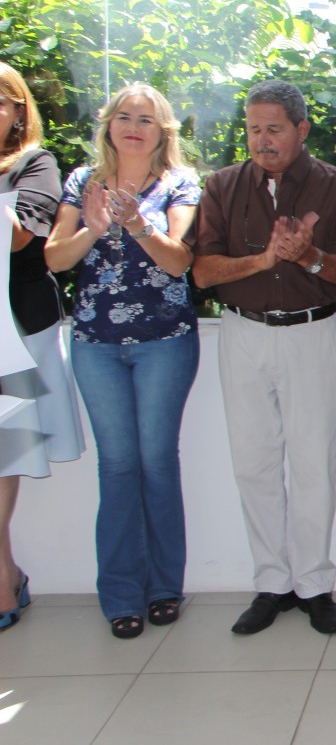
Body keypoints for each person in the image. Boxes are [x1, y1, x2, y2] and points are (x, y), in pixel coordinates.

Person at [193, 80, 336, 636]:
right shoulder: (222, 186)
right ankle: (272, 582)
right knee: (254, 464)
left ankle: (314, 584)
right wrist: (263, 260)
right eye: (253, 129)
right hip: (243, 335)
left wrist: (309, 256)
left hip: (311, 334)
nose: (262, 140)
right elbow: (203, 272)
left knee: (315, 464)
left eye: (273, 129)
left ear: (301, 129)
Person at [45, 84, 201, 640]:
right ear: (109, 124)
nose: (134, 126)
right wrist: (92, 228)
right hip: (96, 344)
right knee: (116, 466)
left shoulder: (180, 183)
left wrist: (137, 223)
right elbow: (54, 258)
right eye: (125, 116)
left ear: (163, 132)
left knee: (156, 462)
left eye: (146, 119)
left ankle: (164, 588)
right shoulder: (81, 182)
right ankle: (119, 594)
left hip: (165, 341)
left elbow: (178, 262)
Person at [0, 63, 85, 632]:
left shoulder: (35, 164)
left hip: (15, 333)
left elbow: (18, 237)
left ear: (17, 112)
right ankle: (8, 570)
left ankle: (2, 578)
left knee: (3, 454)